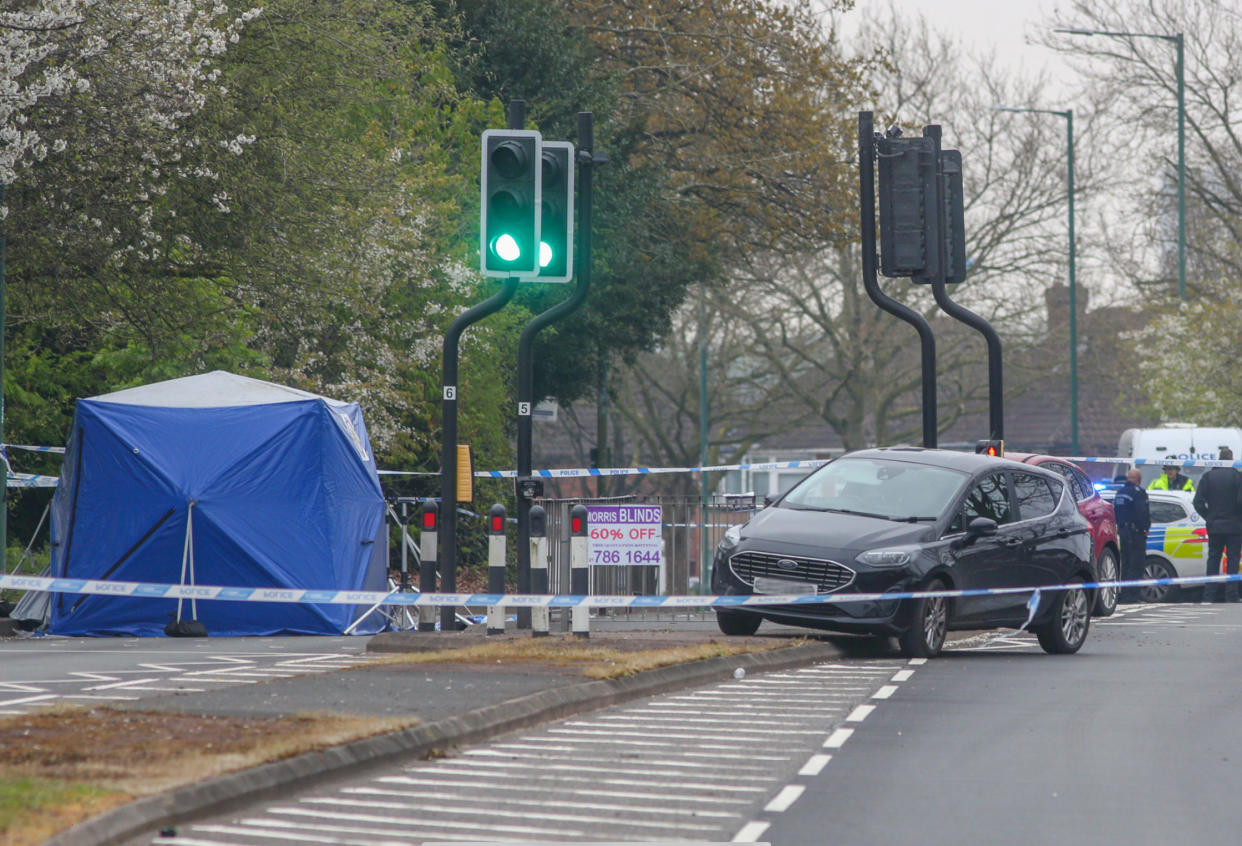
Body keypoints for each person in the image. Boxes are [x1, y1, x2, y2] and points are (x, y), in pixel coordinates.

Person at [1192, 447, 1242, 603]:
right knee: (1233, 560)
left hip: (1214, 526)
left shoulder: (1208, 477)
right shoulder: (1238, 477)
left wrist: (1209, 517)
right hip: (1234, 527)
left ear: (1219, 459)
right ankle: (1232, 595)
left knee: (1213, 560)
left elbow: (1197, 502)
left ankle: (1209, 595)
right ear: (1232, 459)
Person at [1114, 468, 1150, 602]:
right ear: (1138, 480)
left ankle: (1123, 595)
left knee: (1126, 565)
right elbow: (1142, 513)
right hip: (1136, 534)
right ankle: (1133, 596)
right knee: (1137, 565)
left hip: (1123, 533)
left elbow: (1116, 513)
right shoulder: (1139, 493)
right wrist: (1145, 528)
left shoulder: (1120, 493)